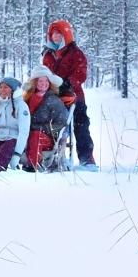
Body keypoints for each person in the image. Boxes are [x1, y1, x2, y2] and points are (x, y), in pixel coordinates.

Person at [42, 19, 97, 169]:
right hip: (53, 97)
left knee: (81, 126)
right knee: (53, 127)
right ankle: (54, 157)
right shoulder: (48, 54)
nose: (55, 37)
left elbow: (81, 74)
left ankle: (87, 159)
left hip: (74, 96)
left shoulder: (75, 53)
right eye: (53, 34)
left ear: (66, 35)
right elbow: (45, 73)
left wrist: (68, 83)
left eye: (59, 34)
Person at [23, 66, 68, 170]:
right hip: (26, 134)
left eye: (46, 81)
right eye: (40, 81)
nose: (44, 83)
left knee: (36, 136)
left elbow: (61, 123)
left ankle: (33, 166)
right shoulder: (27, 98)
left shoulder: (54, 100)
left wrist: (41, 129)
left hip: (47, 136)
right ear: (35, 83)